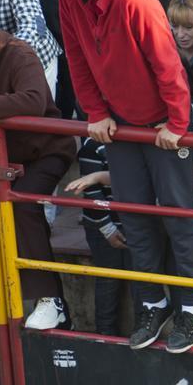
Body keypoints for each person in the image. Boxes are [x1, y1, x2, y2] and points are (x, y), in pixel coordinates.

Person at [58, 0, 193, 353]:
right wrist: (97, 114)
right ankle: (154, 305)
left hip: (162, 123)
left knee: (179, 219)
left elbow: (168, 67)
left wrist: (176, 125)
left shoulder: (138, 2)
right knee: (134, 216)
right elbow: (77, 58)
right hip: (119, 124)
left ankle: (191, 310)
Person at [0, 1, 75, 331]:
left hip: (42, 152)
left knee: (21, 205)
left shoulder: (19, 53)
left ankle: (51, 301)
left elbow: (32, 100)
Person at [64, 138, 131, 337]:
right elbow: (91, 192)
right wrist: (107, 229)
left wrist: (101, 176)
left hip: (135, 225)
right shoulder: (93, 146)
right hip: (100, 224)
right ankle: (105, 333)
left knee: (141, 279)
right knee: (108, 278)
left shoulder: (138, 140)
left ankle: (141, 331)